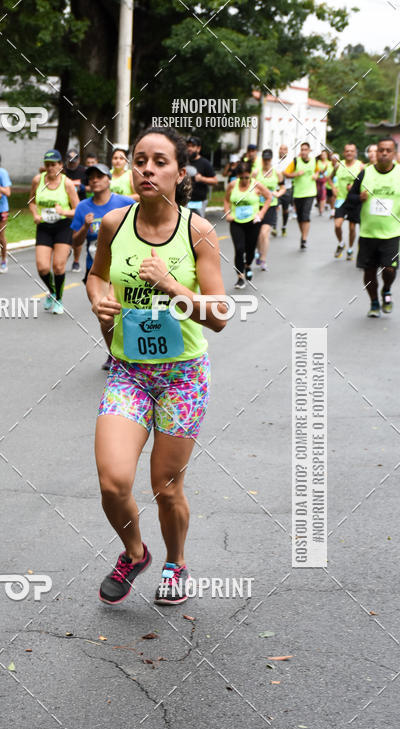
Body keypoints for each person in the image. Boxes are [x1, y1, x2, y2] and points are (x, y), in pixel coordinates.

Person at [87, 126, 229, 606]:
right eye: (140, 160)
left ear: (178, 173)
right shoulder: (113, 224)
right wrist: (99, 301)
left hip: (181, 376)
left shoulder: (197, 231)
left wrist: (173, 286)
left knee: (165, 488)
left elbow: (220, 316)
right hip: (129, 371)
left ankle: (176, 562)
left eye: (159, 161)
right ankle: (135, 551)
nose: (147, 168)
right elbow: (96, 275)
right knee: (113, 481)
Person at [71, 162, 135, 368]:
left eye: (99, 176)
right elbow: (76, 242)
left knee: (125, 314)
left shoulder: (125, 203)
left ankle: (130, 352)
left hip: (124, 269)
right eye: (91, 178)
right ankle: (114, 354)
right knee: (105, 315)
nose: (95, 180)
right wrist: (85, 226)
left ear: (109, 179)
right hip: (96, 271)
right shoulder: (83, 207)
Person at [349, 136, 400, 317]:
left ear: (394, 154)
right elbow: (351, 198)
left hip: (392, 233)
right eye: (381, 150)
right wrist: (358, 198)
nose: (384, 153)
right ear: (376, 152)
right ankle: (374, 302)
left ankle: (386, 289)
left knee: (389, 268)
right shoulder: (365, 173)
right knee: (369, 271)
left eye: (388, 150)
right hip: (368, 233)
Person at [28, 149, 79, 314]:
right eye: (47, 165)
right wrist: (35, 214)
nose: (50, 168)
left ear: (60, 165)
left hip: (63, 226)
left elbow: (78, 209)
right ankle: (52, 291)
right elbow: (31, 201)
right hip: (44, 227)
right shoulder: (38, 180)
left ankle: (59, 299)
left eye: (54, 165)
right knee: (42, 268)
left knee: (58, 266)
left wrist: (64, 212)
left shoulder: (67, 183)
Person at [224, 162, 272, 288]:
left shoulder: (256, 185)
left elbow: (269, 197)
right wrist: (227, 213)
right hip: (236, 222)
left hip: (253, 222)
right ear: (238, 176)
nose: (244, 180)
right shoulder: (232, 185)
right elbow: (226, 200)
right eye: (242, 177)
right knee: (239, 249)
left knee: (250, 249)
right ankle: (240, 277)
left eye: (247, 177)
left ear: (250, 175)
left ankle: (248, 265)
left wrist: (261, 213)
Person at [331, 143, 363, 261]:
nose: (349, 153)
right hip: (341, 199)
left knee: (352, 228)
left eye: (352, 151)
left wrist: (356, 190)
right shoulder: (339, 165)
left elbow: (366, 183)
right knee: (337, 225)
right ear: (344, 153)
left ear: (355, 153)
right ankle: (341, 243)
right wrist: (333, 187)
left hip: (354, 201)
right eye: (347, 151)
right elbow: (329, 178)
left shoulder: (360, 166)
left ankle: (350, 249)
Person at [284, 142, 318, 250]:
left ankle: (304, 239)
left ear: (309, 151)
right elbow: (285, 173)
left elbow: (319, 170)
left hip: (310, 192)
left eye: (305, 149)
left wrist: (316, 175)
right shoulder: (295, 161)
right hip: (298, 193)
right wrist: (295, 174)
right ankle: (303, 234)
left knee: (305, 216)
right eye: (302, 149)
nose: (303, 151)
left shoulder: (314, 161)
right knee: (300, 217)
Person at [255, 149, 284, 270]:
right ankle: (258, 251)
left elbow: (283, 188)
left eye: (268, 159)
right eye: (264, 159)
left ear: (271, 160)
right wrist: (257, 192)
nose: (266, 161)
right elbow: (250, 188)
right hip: (257, 206)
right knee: (257, 234)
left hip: (271, 206)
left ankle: (263, 259)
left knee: (264, 233)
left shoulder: (277, 173)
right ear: (262, 159)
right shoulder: (256, 173)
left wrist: (278, 193)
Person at [64, 148, 88, 271]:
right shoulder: (62, 171)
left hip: (80, 206)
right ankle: (66, 251)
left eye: (74, 161)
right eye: (70, 161)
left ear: (78, 160)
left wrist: (83, 187)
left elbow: (92, 187)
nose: (72, 163)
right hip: (65, 206)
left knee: (76, 234)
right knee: (65, 233)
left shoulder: (84, 171)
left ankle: (76, 261)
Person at [185, 136, 218, 218]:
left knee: (197, 225)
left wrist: (201, 179)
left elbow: (215, 181)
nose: (189, 148)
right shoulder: (182, 162)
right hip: (184, 200)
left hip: (199, 202)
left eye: (192, 146)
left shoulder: (205, 163)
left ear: (198, 148)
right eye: (188, 146)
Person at [276, 144, 293, 236]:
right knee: (274, 207)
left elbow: (291, 174)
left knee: (285, 210)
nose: (282, 151)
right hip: (276, 189)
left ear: (287, 151)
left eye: (284, 149)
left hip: (286, 188)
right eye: (281, 149)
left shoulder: (290, 162)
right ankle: (274, 227)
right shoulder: (274, 161)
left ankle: (284, 226)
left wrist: (285, 174)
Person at [315, 150, 333, 215]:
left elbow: (331, 171)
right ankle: (319, 205)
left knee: (323, 193)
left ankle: (321, 209)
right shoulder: (317, 162)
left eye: (324, 155)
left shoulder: (329, 163)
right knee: (318, 194)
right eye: (322, 155)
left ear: (327, 155)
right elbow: (315, 170)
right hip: (318, 180)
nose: (323, 156)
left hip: (325, 180)